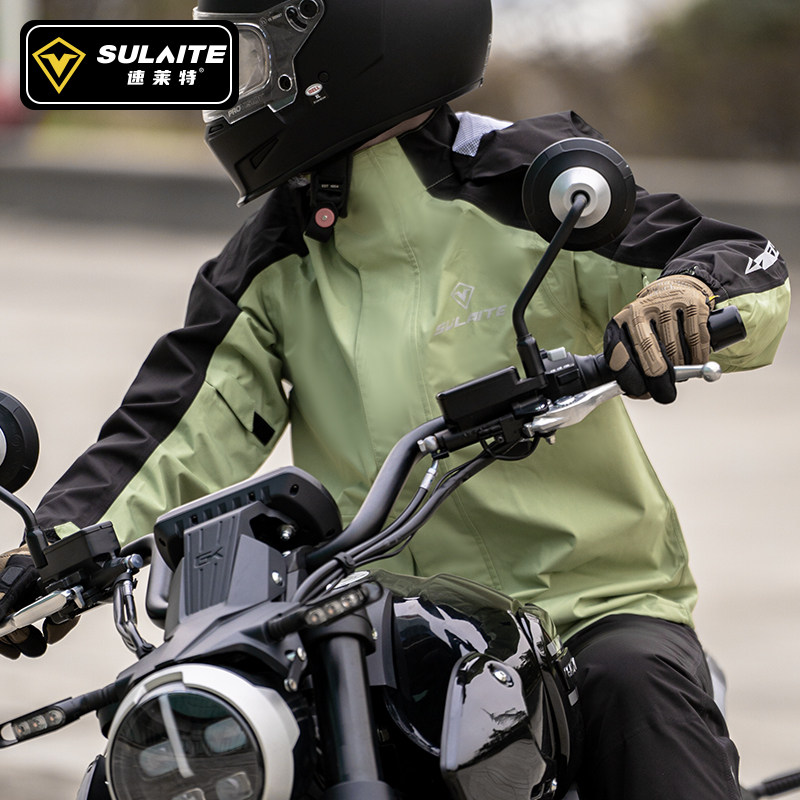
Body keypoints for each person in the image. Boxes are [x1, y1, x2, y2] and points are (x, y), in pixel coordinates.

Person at [0, 2, 790, 798]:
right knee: (185, 747)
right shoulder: (276, 256)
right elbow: (175, 428)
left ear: (358, 41)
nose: (237, 88)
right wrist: (51, 550)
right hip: (370, 622)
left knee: (637, 690)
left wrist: (685, 294)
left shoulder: (533, 183)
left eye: (259, 57)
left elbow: (736, 257)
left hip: (586, 606)